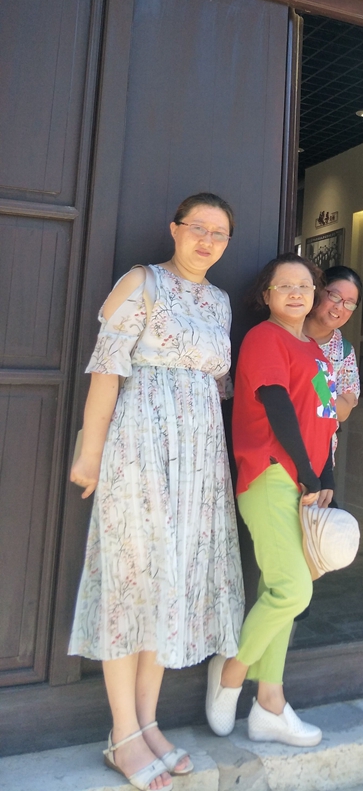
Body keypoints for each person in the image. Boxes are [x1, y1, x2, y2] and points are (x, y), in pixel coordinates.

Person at [69, 193, 244, 791]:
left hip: (198, 462)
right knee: (132, 582)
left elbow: (220, 384)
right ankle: (122, 735)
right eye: (198, 227)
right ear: (175, 228)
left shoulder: (220, 301)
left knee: (169, 586)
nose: (207, 240)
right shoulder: (141, 282)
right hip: (139, 447)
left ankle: (147, 723)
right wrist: (90, 453)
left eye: (219, 233)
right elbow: (107, 369)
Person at [205, 254, 338, 747]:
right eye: (285, 286)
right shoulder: (265, 337)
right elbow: (276, 403)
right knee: (292, 592)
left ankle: (269, 705)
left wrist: (324, 477)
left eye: (305, 285)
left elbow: (325, 417)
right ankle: (231, 672)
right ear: (267, 296)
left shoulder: (318, 353)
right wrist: (307, 471)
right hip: (270, 475)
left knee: (278, 592)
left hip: (304, 483)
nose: (297, 293)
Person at [304, 264, 362, 482]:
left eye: (349, 303)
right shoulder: (287, 330)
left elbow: (344, 410)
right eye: (335, 296)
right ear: (319, 289)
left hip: (320, 458)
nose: (340, 307)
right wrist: (329, 398)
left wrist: (313, 379)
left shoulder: (343, 351)